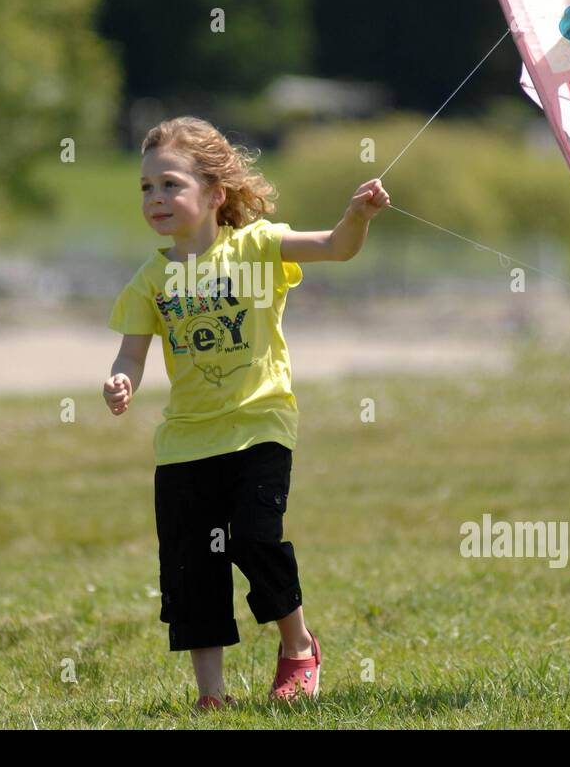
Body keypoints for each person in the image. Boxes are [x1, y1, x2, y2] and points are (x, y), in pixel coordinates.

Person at [103, 116, 389, 711]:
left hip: (260, 425)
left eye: (171, 185)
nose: (156, 198)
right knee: (191, 568)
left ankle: (299, 648)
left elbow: (337, 247)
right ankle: (213, 698)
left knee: (256, 540)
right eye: (146, 188)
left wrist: (357, 217)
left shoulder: (257, 247)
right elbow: (132, 352)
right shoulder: (150, 280)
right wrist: (121, 380)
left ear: (214, 193)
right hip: (185, 444)